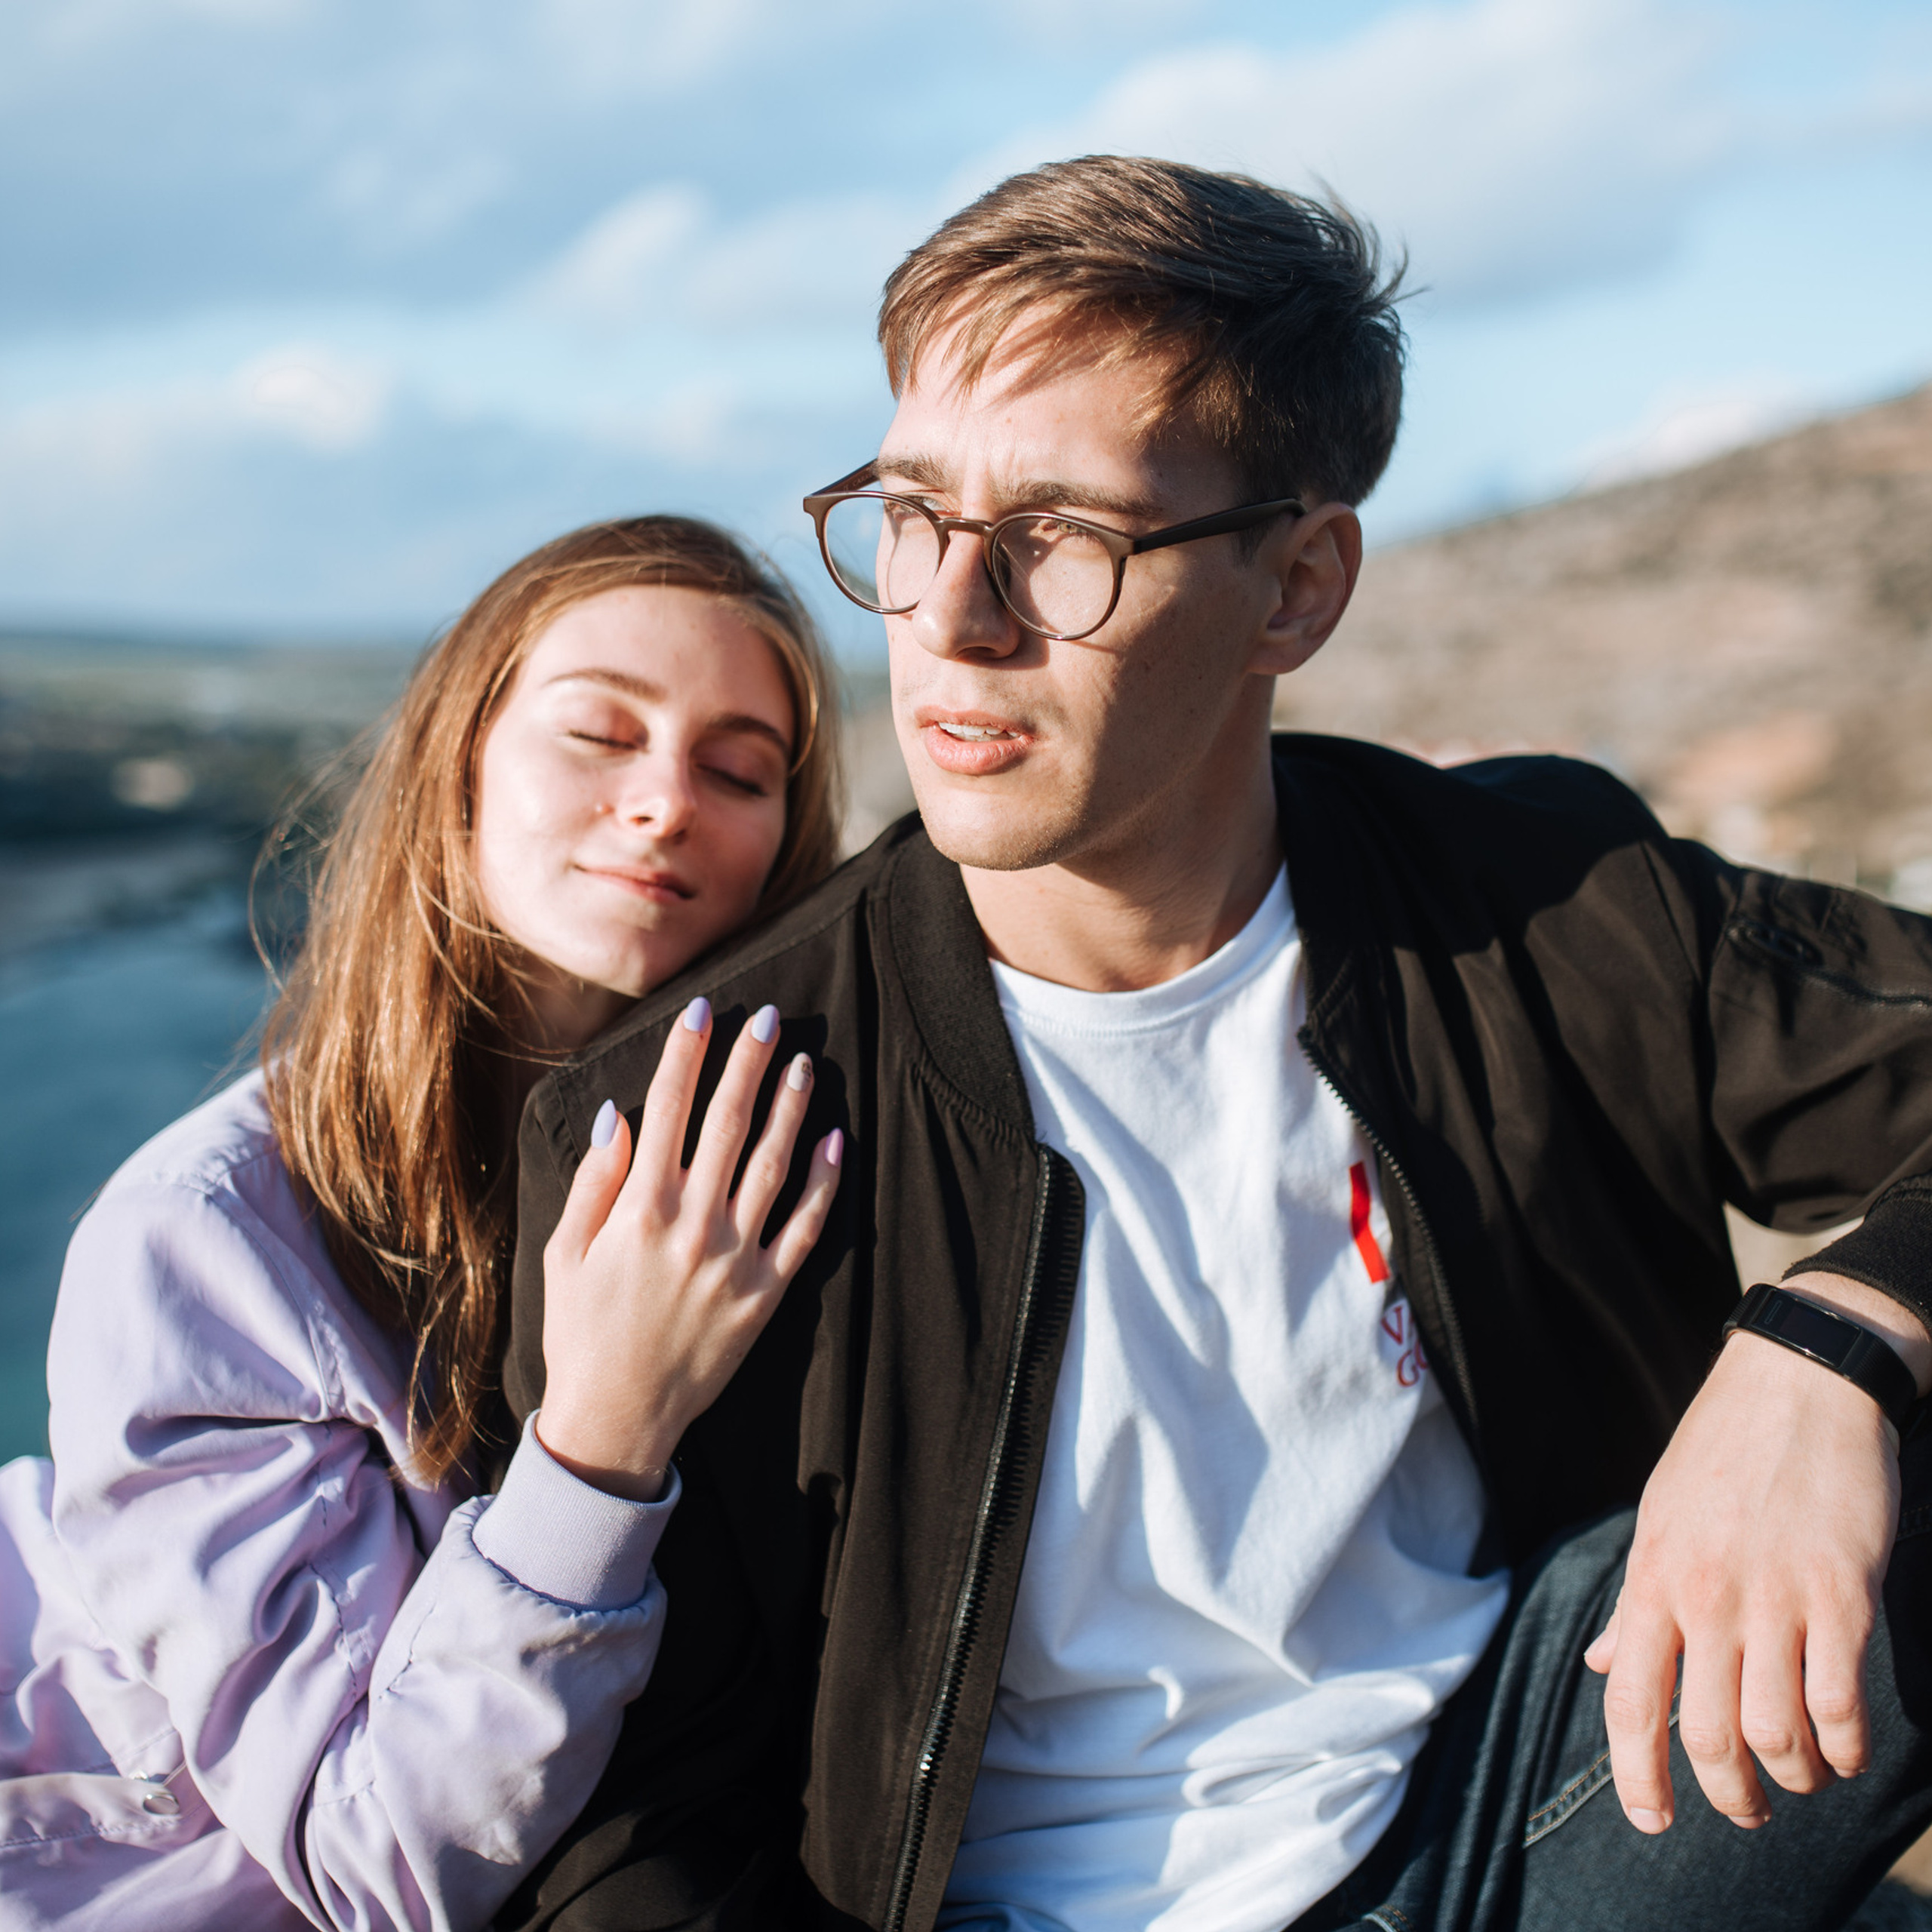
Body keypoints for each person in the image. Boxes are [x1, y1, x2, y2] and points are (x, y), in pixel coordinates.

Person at [495, 158, 1932, 1932]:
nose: (950, 615)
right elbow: (627, 1826)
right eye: (913, 509)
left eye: (1065, 540)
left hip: (1540, 1810)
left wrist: (1832, 1337)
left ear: (1296, 588)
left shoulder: (1539, 900)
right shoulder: (698, 1122)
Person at [0, 516, 845, 1930]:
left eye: (738, 768)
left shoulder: (746, 1181)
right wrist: (605, 1433)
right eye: (599, 734)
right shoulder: (203, 1245)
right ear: (460, 769)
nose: (665, 802)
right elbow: (370, 1862)